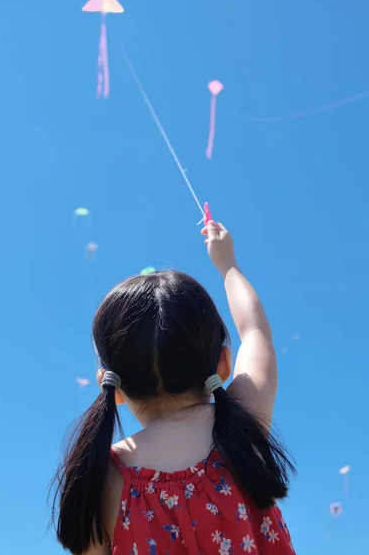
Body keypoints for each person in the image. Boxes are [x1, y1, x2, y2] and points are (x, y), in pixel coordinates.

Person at [52, 221, 296, 554]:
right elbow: (254, 332)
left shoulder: (103, 479)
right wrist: (227, 264)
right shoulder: (240, 427)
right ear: (223, 364)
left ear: (113, 387)